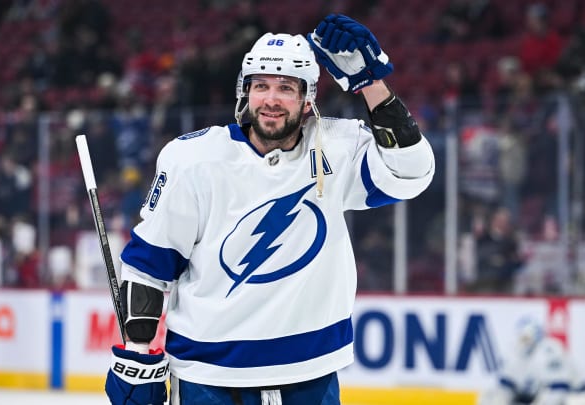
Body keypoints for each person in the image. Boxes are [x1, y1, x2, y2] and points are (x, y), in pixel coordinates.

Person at [104, 14, 435, 405]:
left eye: (285, 88)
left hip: (311, 371)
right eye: (261, 86)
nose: (271, 99)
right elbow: (151, 262)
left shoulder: (334, 145)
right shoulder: (193, 159)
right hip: (210, 375)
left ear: (307, 98)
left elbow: (412, 173)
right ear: (245, 92)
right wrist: (138, 353)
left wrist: (371, 85)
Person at [478, 317, 585, 405]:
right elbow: (504, 388)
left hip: (574, 397)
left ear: (536, 336)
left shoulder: (550, 350)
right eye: (520, 338)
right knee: (489, 398)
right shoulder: (515, 353)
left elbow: (558, 391)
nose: (522, 342)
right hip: (538, 398)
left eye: (526, 338)